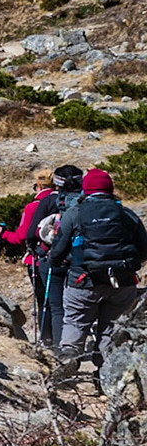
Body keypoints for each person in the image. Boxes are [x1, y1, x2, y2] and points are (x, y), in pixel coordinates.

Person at [43, 167, 146, 392]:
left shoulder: (75, 213)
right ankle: (105, 378)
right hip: (122, 282)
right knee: (111, 328)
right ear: (110, 189)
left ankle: (68, 364)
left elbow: (58, 249)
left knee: (76, 321)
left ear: (86, 190)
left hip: (82, 281)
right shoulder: (127, 214)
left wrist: (58, 261)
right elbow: (144, 249)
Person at [0, 166, 78, 349]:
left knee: (46, 301)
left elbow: (23, 236)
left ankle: (48, 340)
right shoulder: (70, 201)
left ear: (39, 186)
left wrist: (3, 234)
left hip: (42, 259)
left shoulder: (34, 206)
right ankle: (67, 339)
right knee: (65, 301)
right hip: (73, 258)